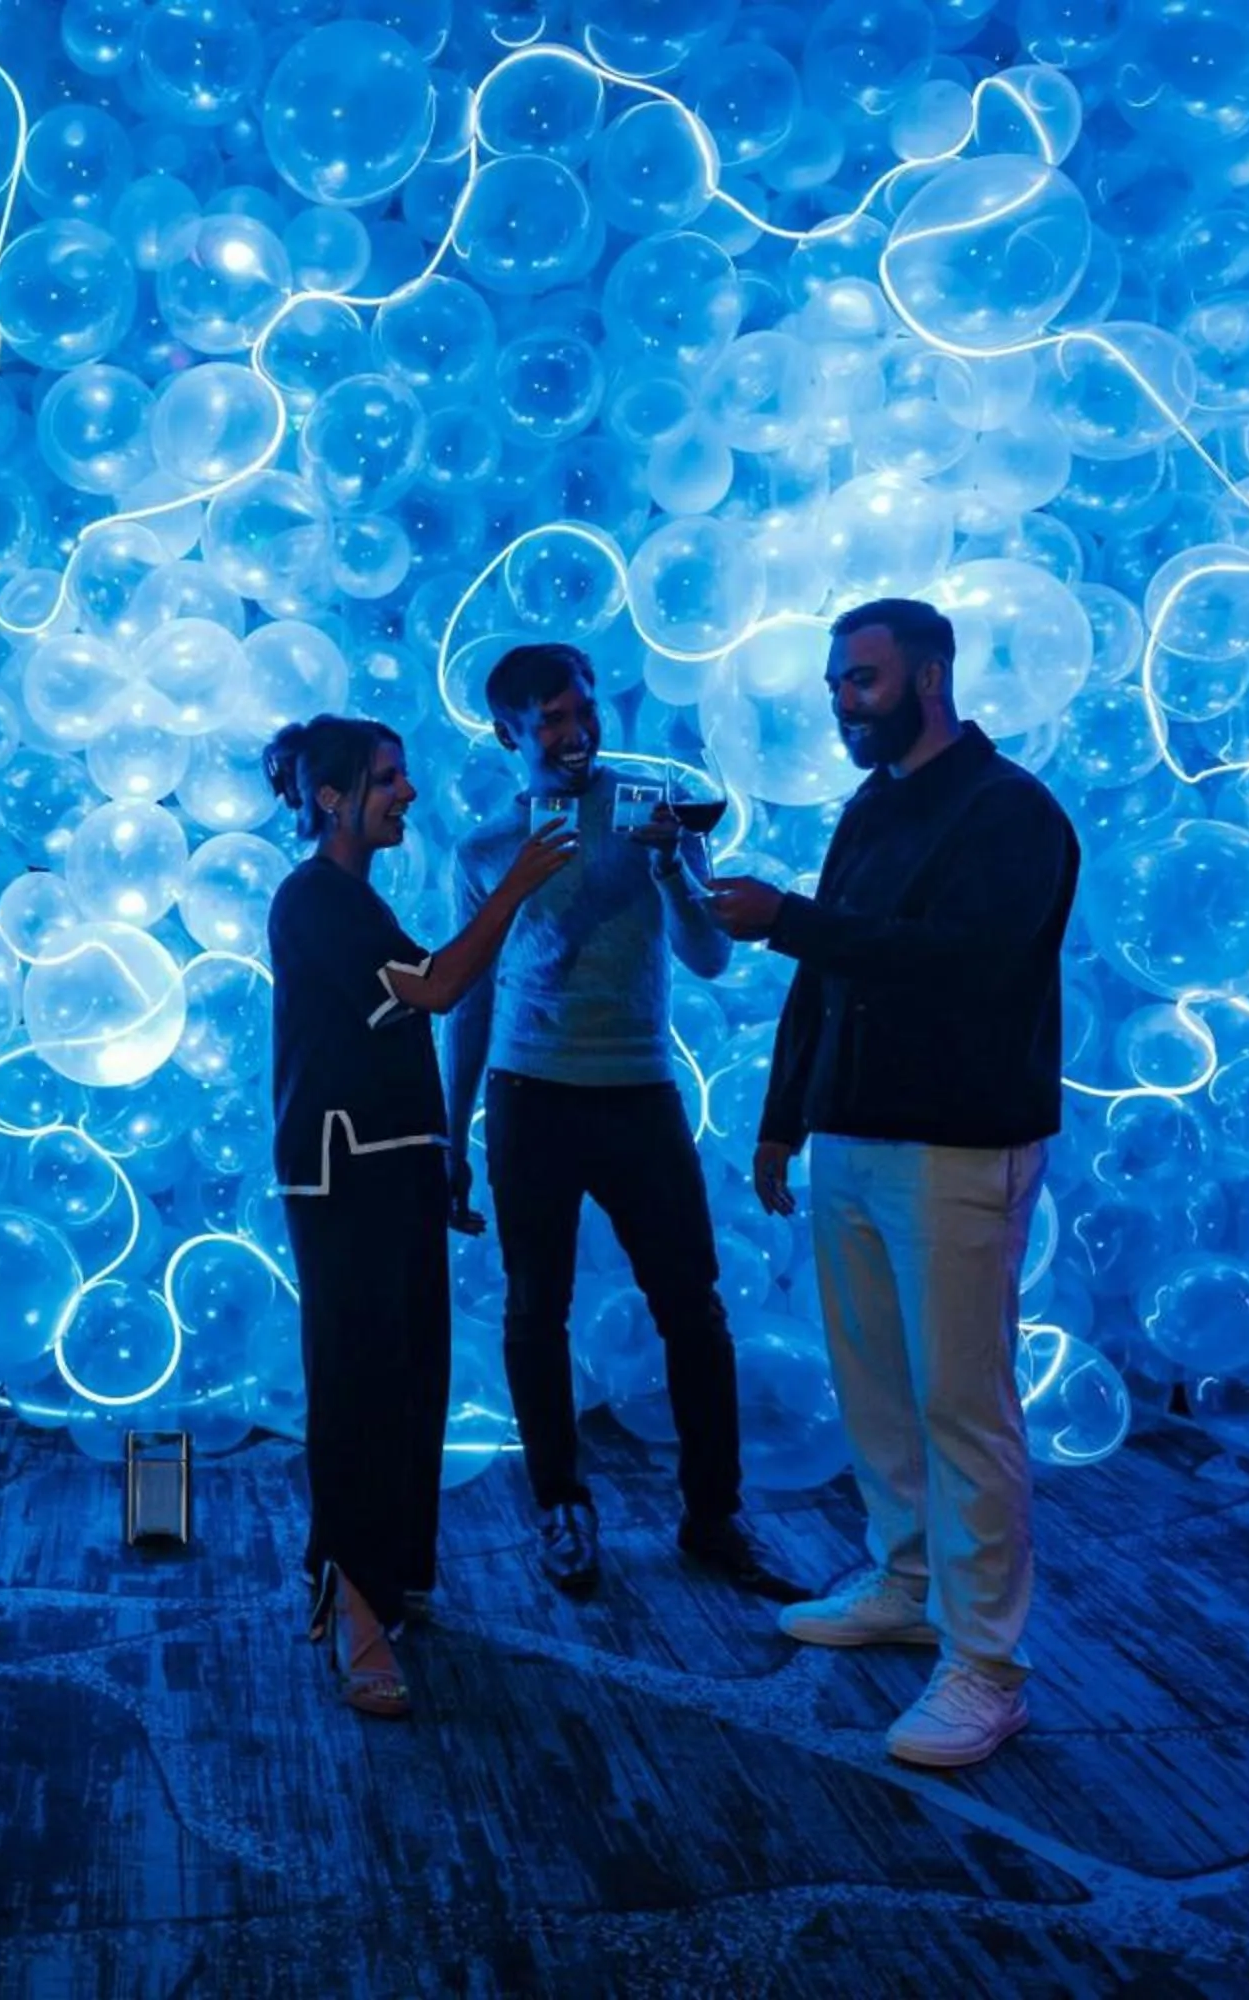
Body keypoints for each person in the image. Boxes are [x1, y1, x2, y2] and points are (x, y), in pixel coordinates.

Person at [707, 597, 1080, 1771]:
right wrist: (784, 1117)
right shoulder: (872, 804)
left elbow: (966, 966)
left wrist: (789, 919)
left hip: (959, 1144)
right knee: (874, 1385)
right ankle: (908, 1579)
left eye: (859, 679)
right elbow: (826, 971)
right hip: (853, 1137)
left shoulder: (1010, 810)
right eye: (835, 681)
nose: (840, 700)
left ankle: (989, 1668)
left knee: (965, 1404)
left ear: (928, 678)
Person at [444, 644, 800, 1604]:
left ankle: (714, 1515)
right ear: (508, 735)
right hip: (529, 1096)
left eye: (584, 710)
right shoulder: (485, 849)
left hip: (640, 1090)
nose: (576, 733)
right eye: (551, 721)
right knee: (535, 1310)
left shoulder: (653, 806)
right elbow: (468, 997)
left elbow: (711, 959)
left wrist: (674, 866)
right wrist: (451, 1131)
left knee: (693, 1307)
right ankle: (561, 1508)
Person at [263, 713, 572, 1719]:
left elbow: (395, 1032)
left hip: (391, 1169)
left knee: (410, 1379)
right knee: (357, 1385)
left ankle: (390, 1577)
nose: (409, 793)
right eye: (388, 778)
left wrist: (438, 1157)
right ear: (331, 797)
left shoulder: (357, 899)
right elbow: (437, 988)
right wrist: (518, 883)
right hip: (342, 1175)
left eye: (403, 775)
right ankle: (349, 1603)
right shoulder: (315, 897)